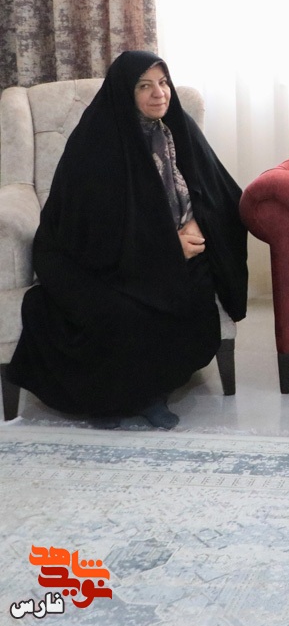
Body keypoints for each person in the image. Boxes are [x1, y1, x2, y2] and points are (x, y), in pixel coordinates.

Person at [8, 51, 248, 429]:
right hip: (96, 258)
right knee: (121, 310)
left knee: (187, 299)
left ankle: (153, 395)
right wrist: (166, 247)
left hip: (176, 252)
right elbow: (92, 227)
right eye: (144, 86)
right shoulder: (98, 141)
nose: (159, 94)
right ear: (125, 92)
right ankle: (107, 402)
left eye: (163, 83)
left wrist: (198, 224)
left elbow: (220, 192)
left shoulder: (179, 128)